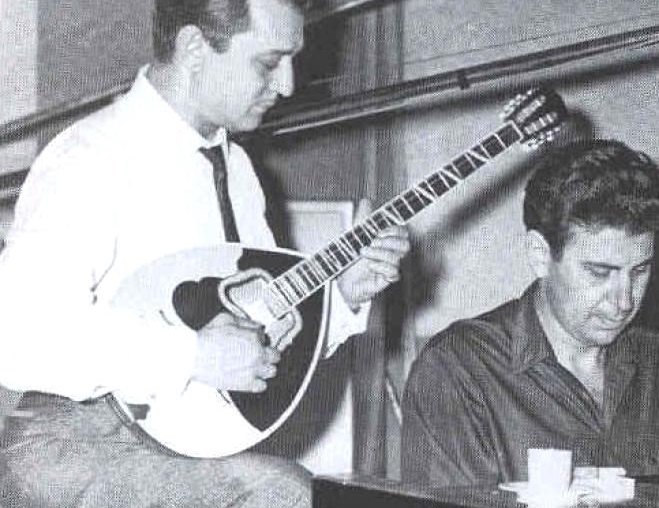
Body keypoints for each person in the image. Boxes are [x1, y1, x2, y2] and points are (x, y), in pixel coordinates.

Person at [0, 0, 410, 506]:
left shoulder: (237, 169)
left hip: (178, 448)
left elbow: (255, 335)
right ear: (194, 47)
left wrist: (341, 297)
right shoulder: (91, 157)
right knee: (285, 495)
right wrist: (196, 355)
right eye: (268, 63)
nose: (287, 85)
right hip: (73, 444)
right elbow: (19, 334)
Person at [400, 139, 659, 487]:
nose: (624, 301)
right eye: (599, 272)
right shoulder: (459, 372)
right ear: (540, 255)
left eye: (639, 271)